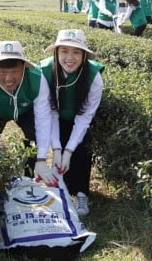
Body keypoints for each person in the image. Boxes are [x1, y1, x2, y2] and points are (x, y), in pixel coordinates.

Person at [0, 41, 57, 186]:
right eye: (2, 72)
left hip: (25, 109)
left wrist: (41, 159)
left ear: (24, 68)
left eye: (15, 72)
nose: (9, 79)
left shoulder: (37, 79)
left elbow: (43, 119)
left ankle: (30, 178)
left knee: (34, 137)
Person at [40, 29, 104, 216]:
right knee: (58, 156)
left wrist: (68, 151)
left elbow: (85, 117)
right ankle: (57, 188)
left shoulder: (94, 76)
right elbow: (48, 112)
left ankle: (82, 191)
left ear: (84, 55)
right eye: (64, 51)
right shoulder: (44, 71)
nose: (70, 57)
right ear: (56, 52)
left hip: (78, 117)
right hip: (55, 117)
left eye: (76, 52)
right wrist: (57, 149)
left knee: (83, 146)